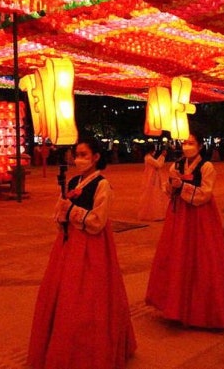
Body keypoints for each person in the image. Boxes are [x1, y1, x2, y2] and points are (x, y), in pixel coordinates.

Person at [28, 137, 136, 369]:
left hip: (92, 247)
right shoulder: (74, 181)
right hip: (68, 245)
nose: (78, 159)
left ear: (96, 157)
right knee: (65, 293)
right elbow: (59, 211)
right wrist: (61, 213)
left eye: (84, 155)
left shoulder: (102, 185)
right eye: (77, 154)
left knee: (89, 296)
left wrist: (73, 211)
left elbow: (97, 221)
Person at [146, 132, 224, 329]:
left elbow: (205, 194)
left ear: (200, 146)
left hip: (201, 217)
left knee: (201, 258)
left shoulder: (207, 167)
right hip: (178, 216)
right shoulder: (176, 165)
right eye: (185, 142)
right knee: (177, 257)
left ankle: (200, 311)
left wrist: (182, 186)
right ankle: (175, 306)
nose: (187, 146)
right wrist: (171, 184)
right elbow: (167, 191)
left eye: (191, 143)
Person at [137, 143, 168, 221]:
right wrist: (163, 156)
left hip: (153, 177)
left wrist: (161, 156)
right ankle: (153, 214)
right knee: (153, 194)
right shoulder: (148, 158)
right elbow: (159, 164)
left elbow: (157, 163)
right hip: (151, 178)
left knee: (154, 194)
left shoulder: (148, 157)